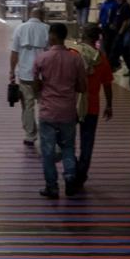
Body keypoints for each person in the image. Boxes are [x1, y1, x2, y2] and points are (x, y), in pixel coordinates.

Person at [32, 23, 88, 198]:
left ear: (53, 37)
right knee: (68, 147)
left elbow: (35, 83)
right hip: (68, 112)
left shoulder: (42, 58)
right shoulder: (75, 59)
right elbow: (82, 86)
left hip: (48, 111)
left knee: (48, 151)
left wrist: (40, 94)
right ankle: (70, 179)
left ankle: (52, 186)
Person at [69, 24, 113, 190]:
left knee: (68, 140)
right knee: (87, 143)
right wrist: (109, 105)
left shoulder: (73, 54)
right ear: (97, 39)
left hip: (72, 104)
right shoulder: (101, 58)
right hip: (92, 106)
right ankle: (81, 174)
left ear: (83, 34)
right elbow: (107, 84)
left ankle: (71, 170)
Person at [9, 6, 51, 148]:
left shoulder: (20, 29)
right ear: (42, 16)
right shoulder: (47, 29)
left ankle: (30, 135)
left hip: (25, 74)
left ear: (30, 15)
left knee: (27, 105)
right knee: (45, 104)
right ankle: (45, 133)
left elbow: (14, 53)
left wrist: (11, 72)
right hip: (44, 75)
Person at [110, 0, 130, 70]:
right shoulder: (119, 6)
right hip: (117, 31)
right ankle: (116, 65)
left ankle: (116, 65)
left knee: (117, 50)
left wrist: (121, 32)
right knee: (117, 50)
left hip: (122, 33)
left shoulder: (126, 6)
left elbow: (126, 20)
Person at [97, 0, 120, 67]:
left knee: (109, 46)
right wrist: (98, 22)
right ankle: (107, 62)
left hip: (110, 29)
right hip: (103, 27)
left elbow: (117, 16)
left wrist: (113, 24)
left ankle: (111, 64)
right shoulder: (104, 3)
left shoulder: (114, 4)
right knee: (104, 46)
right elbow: (101, 15)